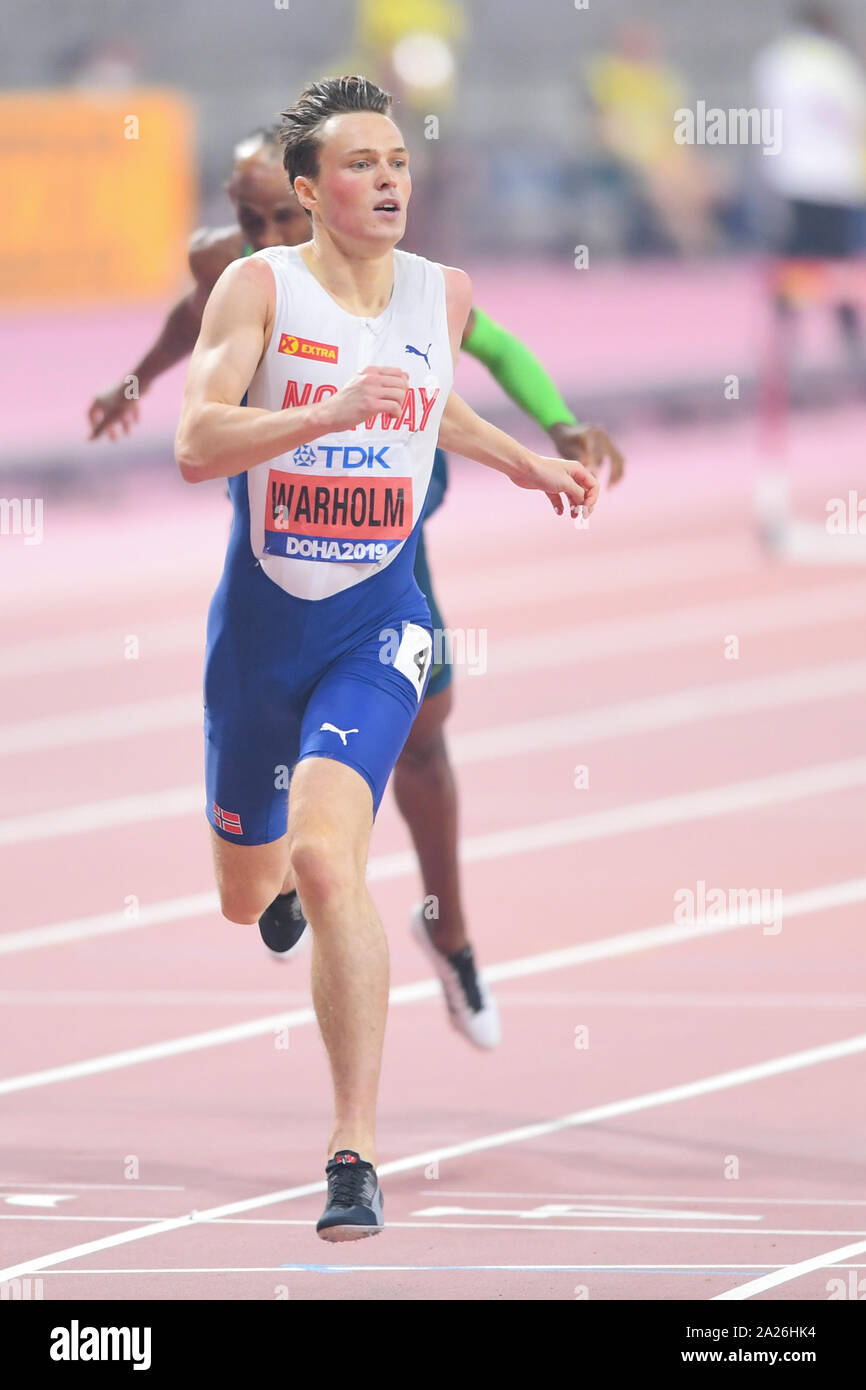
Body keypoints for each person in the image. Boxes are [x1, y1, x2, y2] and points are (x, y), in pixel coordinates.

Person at [88, 124, 625, 1053]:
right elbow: (188, 327)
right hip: (286, 521)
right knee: (280, 696)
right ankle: (290, 857)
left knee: (425, 741)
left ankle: (449, 934)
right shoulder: (237, 273)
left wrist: (556, 426)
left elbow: (491, 345)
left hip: (393, 533)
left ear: (305, 199)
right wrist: (132, 385)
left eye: (273, 215)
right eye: (246, 217)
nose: (262, 233)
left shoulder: (399, 279)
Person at [174, 74, 599, 1239]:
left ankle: (351, 1151)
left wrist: (525, 459)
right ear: (308, 191)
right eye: (359, 164)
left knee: (328, 859)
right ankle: (265, 879)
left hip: (378, 624)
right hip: (260, 633)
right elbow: (197, 441)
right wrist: (322, 413)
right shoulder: (257, 288)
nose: (387, 179)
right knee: (247, 894)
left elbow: (429, 404)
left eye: (398, 161)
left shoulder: (439, 292)